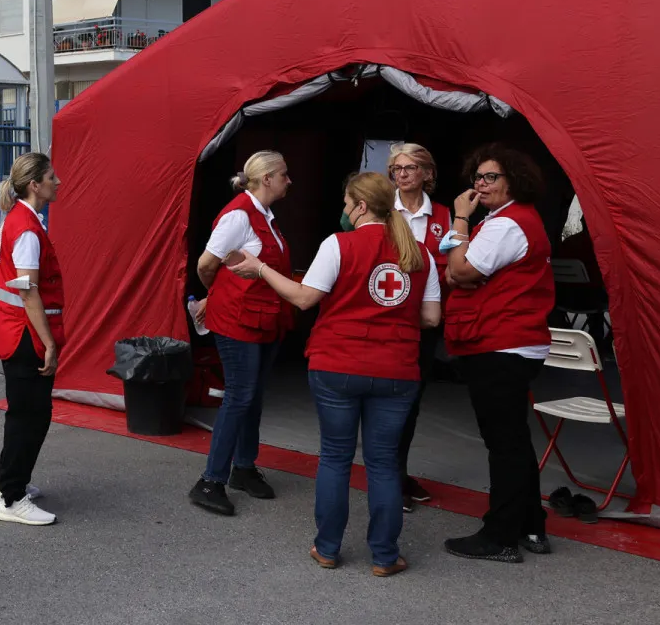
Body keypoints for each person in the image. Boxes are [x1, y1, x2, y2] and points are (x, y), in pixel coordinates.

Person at [227, 172, 442, 576]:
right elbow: (431, 317)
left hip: (337, 364)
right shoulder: (420, 254)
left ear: (361, 206)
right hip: (396, 369)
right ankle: (383, 555)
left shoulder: (338, 244)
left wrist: (260, 269)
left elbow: (305, 299)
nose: (344, 211)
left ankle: (327, 548)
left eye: (347, 203)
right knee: (382, 463)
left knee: (336, 458)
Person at [440, 144, 556, 563]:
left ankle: (500, 535)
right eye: (478, 177)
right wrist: (460, 266)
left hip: (501, 343)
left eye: (491, 177)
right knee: (514, 440)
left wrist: (459, 219)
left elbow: (462, 270)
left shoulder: (507, 224)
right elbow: (459, 271)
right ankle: (529, 524)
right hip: (511, 342)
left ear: (514, 181)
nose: (481, 184)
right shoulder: (506, 222)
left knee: (503, 443)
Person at [189, 150, 293, 516]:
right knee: (239, 395)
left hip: (262, 319)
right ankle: (210, 480)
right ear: (267, 179)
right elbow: (206, 264)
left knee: (252, 397)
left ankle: (244, 468)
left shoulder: (264, 215)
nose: (288, 180)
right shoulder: (238, 215)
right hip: (238, 320)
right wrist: (214, 294)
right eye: (283, 174)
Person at [0, 152, 63, 526]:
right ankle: (12, 497)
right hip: (25, 335)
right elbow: (29, 292)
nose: (58, 182)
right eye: (52, 177)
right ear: (35, 185)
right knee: (32, 415)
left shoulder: (18, 220)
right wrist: (49, 342)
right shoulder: (28, 231)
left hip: (13, 330)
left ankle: (8, 484)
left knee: (23, 412)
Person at [388, 143, 452, 509]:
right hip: (389, 323)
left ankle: (397, 468)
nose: (403, 174)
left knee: (411, 402)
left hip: (425, 325)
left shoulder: (444, 215)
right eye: (397, 168)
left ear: (428, 173)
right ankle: (390, 476)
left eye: (411, 167)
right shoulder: (382, 211)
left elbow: (456, 267)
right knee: (390, 401)